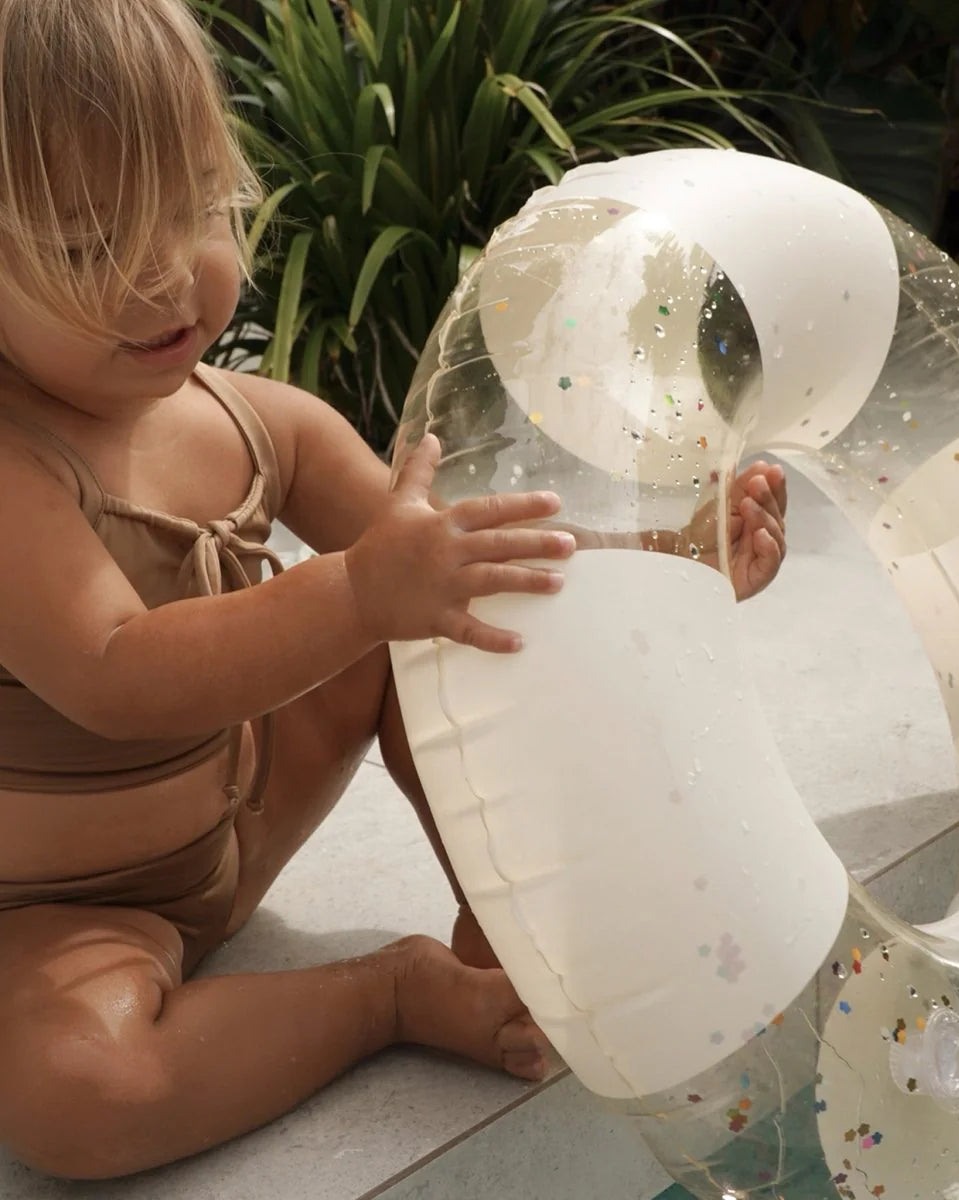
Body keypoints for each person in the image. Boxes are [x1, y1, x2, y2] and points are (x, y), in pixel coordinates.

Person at [0, 0, 788, 1181]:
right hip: (57, 909)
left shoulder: (265, 422)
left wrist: (677, 561)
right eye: (85, 245)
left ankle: (506, 918)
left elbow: (485, 566)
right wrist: (357, 596)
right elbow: (117, 673)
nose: (166, 276)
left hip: (245, 813)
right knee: (84, 1100)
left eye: (193, 210)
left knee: (447, 600)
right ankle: (390, 996)